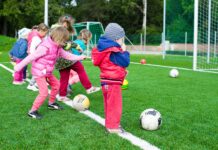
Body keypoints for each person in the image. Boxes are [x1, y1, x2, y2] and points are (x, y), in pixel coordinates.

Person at [14, 27, 86, 119]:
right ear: (58, 38)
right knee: (43, 93)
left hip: (47, 72)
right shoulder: (45, 47)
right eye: (64, 40)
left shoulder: (58, 47)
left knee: (57, 85)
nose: (65, 42)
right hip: (39, 72)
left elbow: (67, 55)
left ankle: (51, 103)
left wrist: (79, 57)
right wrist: (18, 67)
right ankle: (32, 111)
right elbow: (31, 57)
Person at [91, 23, 130, 133]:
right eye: (122, 39)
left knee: (109, 104)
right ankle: (113, 127)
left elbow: (113, 65)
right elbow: (125, 61)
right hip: (113, 83)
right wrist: (124, 51)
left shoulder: (104, 49)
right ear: (117, 39)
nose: (123, 42)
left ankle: (110, 123)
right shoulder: (113, 50)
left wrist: (122, 72)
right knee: (115, 105)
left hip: (106, 82)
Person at [54, 23, 100, 101]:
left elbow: (71, 45)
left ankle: (61, 95)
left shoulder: (63, 41)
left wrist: (78, 50)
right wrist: (79, 57)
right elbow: (72, 52)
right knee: (81, 69)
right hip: (70, 60)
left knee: (64, 78)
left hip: (60, 61)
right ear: (88, 37)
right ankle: (89, 88)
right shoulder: (80, 43)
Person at [27, 23, 49, 91]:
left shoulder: (38, 37)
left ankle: (37, 83)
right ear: (41, 31)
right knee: (38, 71)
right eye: (45, 33)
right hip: (35, 57)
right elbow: (32, 49)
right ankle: (31, 85)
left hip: (37, 57)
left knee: (43, 70)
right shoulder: (36, 38)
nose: (45, 34)